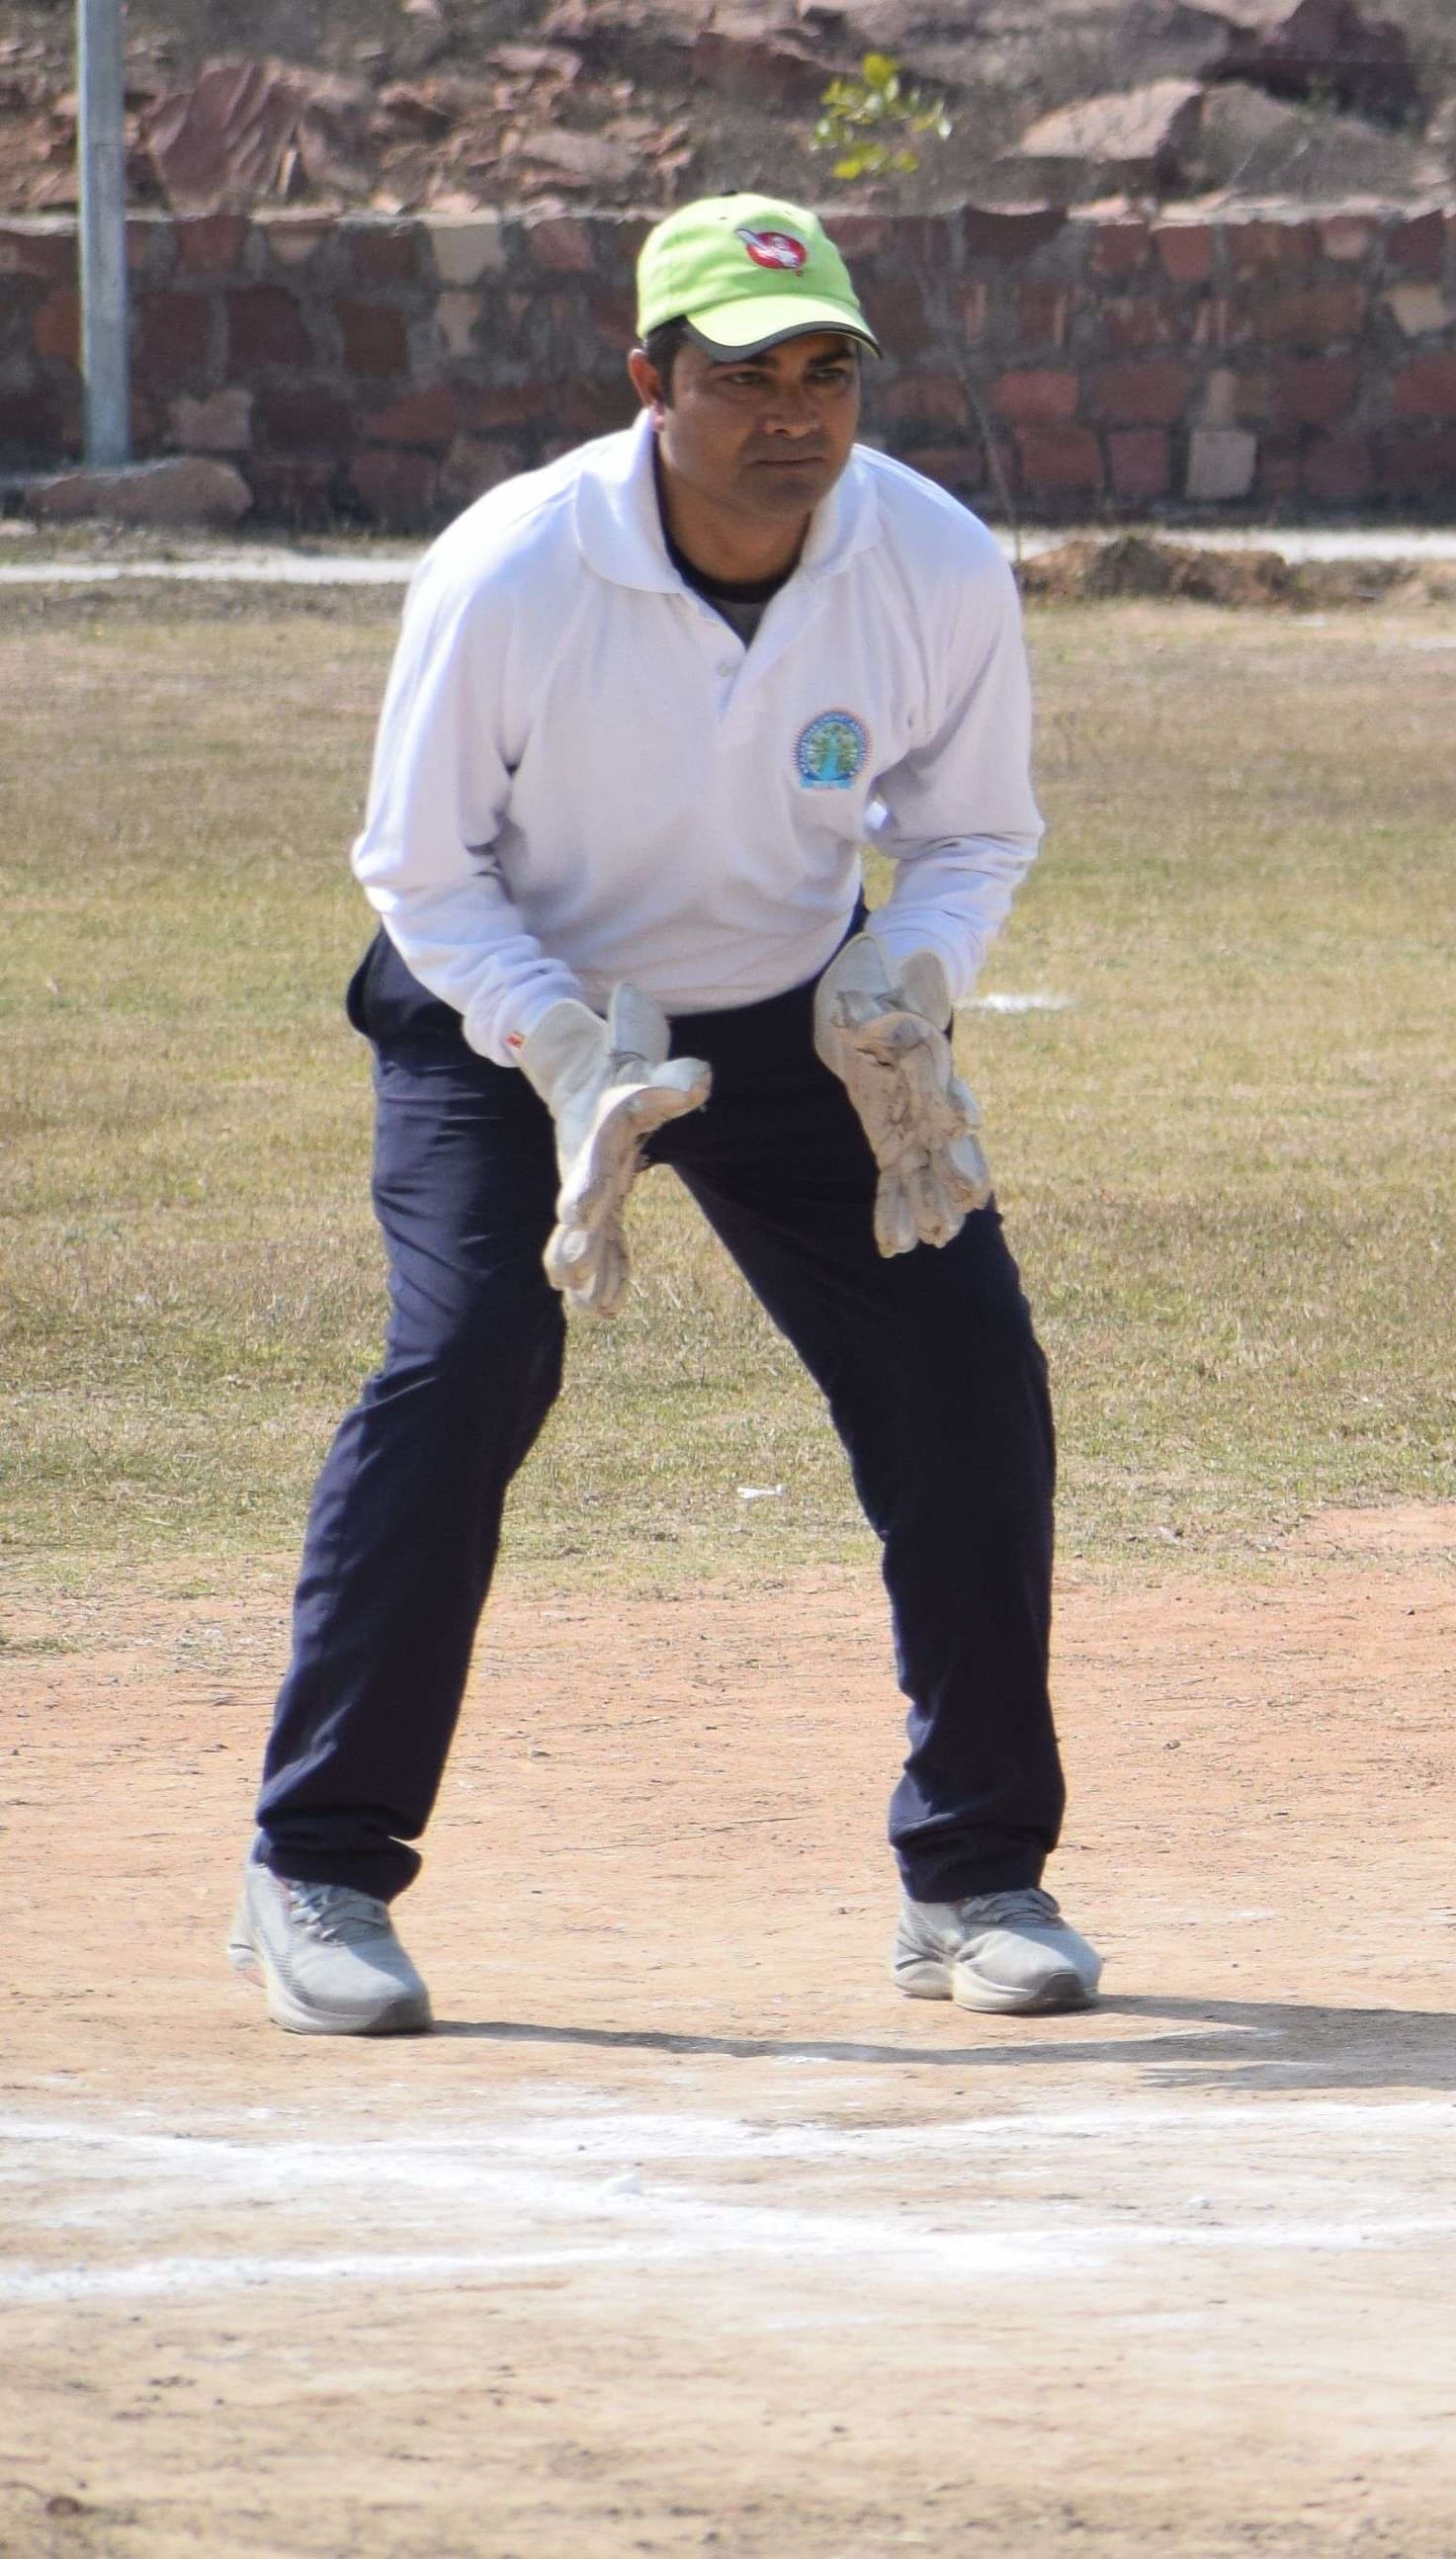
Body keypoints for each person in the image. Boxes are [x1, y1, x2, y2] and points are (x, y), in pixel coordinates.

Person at [227, 195, 1101, 2035]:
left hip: (801, 1017)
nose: (793, 414)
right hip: (512, 1014)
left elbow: (973, 830)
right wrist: (561, 1050)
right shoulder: (515, 567)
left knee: (966, 1375)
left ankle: (976, 1876)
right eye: (742, 377)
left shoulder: (929, 560)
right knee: (464, 1372)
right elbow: (418, 860)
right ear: (648, 380)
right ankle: (314, 1867)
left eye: (827, 373)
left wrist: (909, 982)